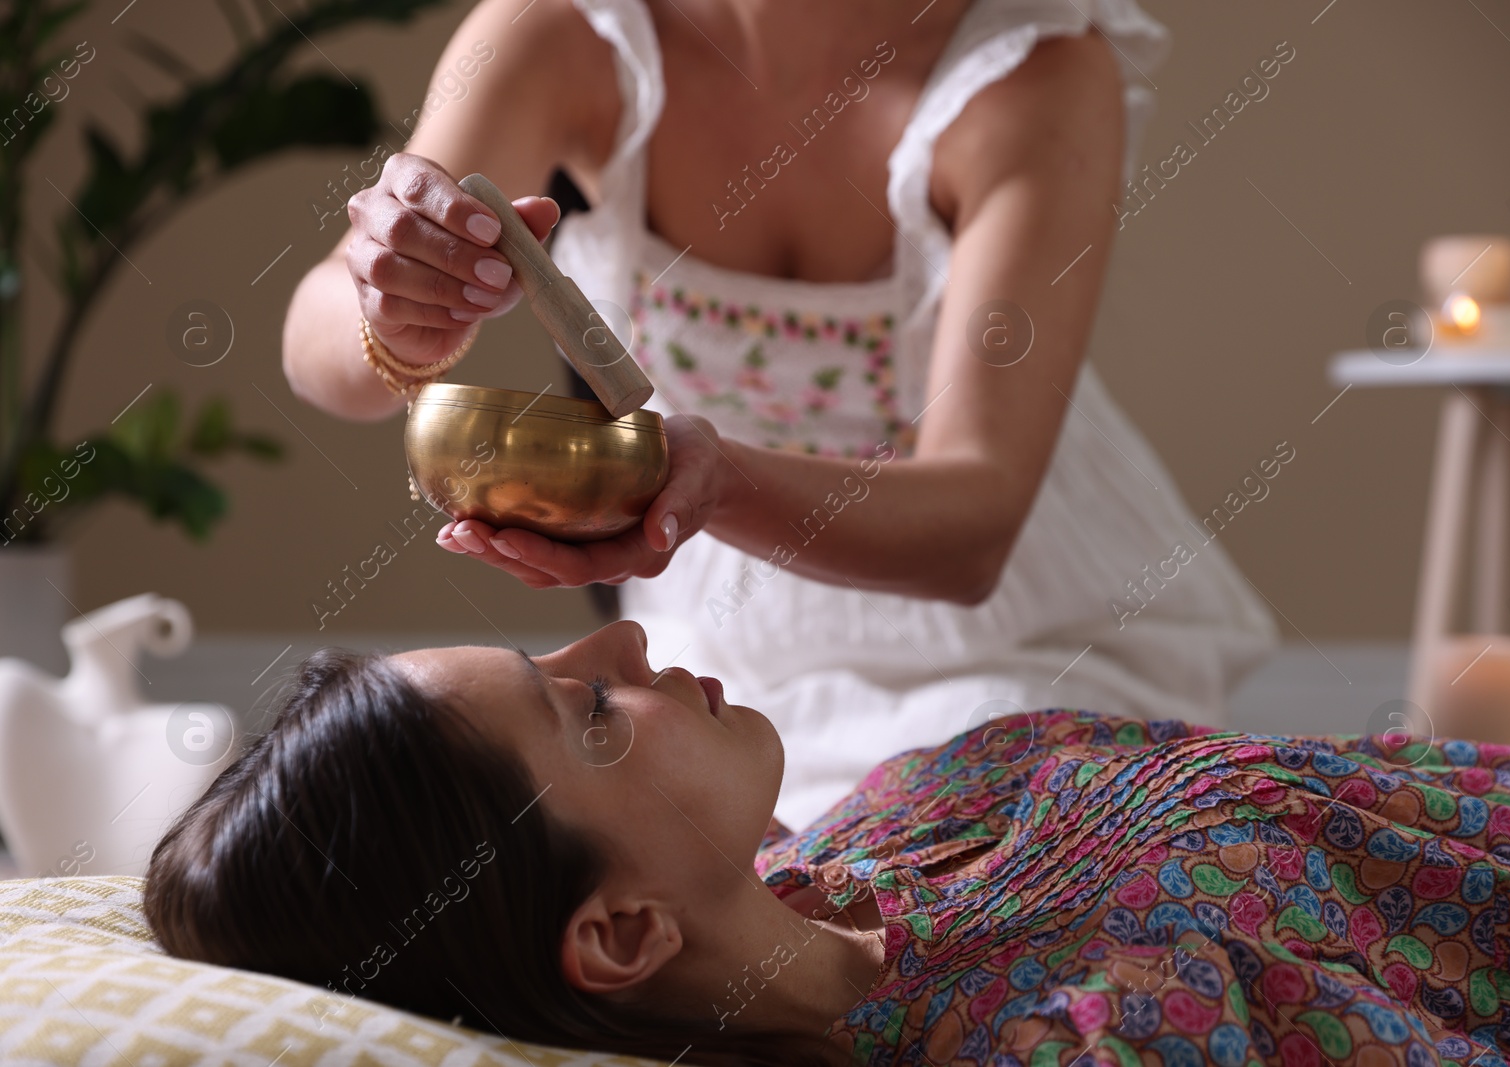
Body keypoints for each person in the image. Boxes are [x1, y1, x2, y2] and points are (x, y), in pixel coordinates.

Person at [281, 0, 1278, 829]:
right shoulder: (564, 32)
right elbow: (324, 350)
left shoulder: (1034, 69)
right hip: (714, 653)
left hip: (1017, 638)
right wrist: (394, 311)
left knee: (928, 895)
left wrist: (713, 482)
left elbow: (973, 529)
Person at [147, 621, 1510, 1066]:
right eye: (588, 706)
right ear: (622, 930)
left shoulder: (857, 848)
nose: (635, 632)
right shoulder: (1082, 1035)